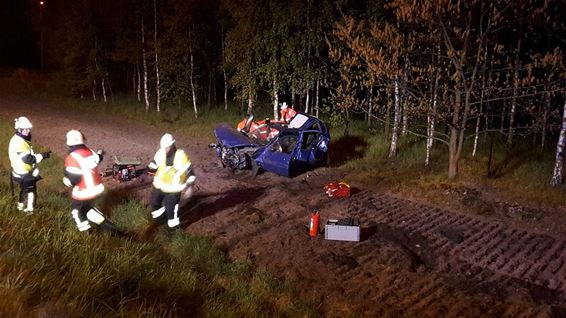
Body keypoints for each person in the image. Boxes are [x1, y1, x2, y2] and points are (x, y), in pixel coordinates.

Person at [62, 129, 118, 233]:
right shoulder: (90, 151)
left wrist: (66, 180)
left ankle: (86, 233)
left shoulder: (72, 157)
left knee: (76, 212)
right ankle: (108, 227)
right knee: (86, 208)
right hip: (97, 189)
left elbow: (74, 179)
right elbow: (98, 159)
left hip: (84, 192)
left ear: (69, 142)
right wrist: (100, 153)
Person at [147, 133, 196, 229]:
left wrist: (189, 186)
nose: (164, 150)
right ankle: (161, 220)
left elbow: (190, 172)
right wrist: (148, 171)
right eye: (163, 148)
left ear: (172, 145)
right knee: (154, 204)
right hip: (160, 185)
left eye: (167, 147)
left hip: (174, 188)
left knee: (170, 209)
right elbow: (153, 165)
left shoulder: (181, 155)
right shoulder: (160, 153)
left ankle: (174, 228)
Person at [8, 116, 51, 214]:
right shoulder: (19, 142)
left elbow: (27, 156)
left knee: (24, 190)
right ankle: (29, 212)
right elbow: (29, 159)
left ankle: (20, 207)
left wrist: (39, 155)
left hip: (20, 171)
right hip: (23, 172)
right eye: (26, 129)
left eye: (29, 128)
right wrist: (42, 156)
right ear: (19, 129)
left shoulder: (19, 139)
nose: (29, 131)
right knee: (30, 192)